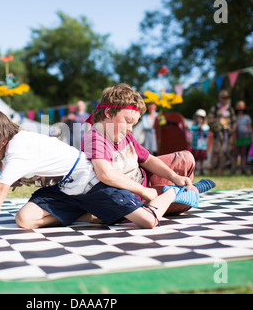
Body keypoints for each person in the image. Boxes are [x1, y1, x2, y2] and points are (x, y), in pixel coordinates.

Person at [0, 108, 208, 243]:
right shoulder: (16, 145)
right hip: (66, 188)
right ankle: (91, 215)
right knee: (24, 219)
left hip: (90, 184)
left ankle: (171, 193)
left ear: (0, 138)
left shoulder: (16, 149)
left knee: (148, 221)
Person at [81, 83, 216, 216]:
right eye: (128, 121)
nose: (130, 128)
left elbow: (148, 159)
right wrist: (144, 191)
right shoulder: (95, 138)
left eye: (134, 124)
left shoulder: (125, 135)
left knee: (187, 158)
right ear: (109, 112)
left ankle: (182, 187)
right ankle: (188, 190)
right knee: (189, 196)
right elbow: (105, 174)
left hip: (145, 178)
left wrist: (174, 176)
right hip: (131, 194)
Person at [207, 89, 236, 175]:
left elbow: (234, 122)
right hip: (217, 133)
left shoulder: (230, 109)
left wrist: (233, 129)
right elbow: (209, 120)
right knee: (216, 151)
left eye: (226, 98)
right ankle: (212, 168)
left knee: (225, 151)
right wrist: (218, 119)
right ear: (219, 98)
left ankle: (221, 169)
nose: (224, 99)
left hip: (228, 133)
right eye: (223, 98)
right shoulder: (215, 108)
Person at [232, 101, 252, 174]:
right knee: (235, 154)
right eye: (239, 109)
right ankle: (234, 168)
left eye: (242, 109)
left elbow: (250, 128)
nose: (240, 111)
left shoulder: (247, 117)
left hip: (245, 138)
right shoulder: (235, 117)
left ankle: (243, 168)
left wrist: (251, 137)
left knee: (243, 154)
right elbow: (233, 129)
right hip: (237, 138)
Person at [190, 109, 210, 175]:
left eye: (201, 117)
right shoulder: (193, 127)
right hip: (195, 146)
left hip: (203, 146)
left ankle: (202, 169)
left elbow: (206, 135)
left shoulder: (206, 127)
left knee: (202, 159)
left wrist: (203, 128)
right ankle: (194, 169)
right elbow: (191, 133)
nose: (199, 119)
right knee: (195, 159)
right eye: (198, 117)